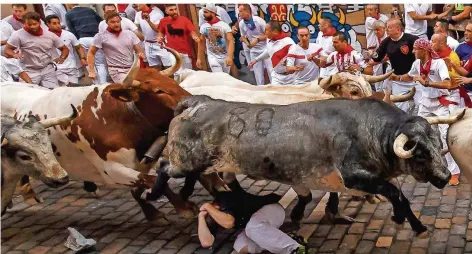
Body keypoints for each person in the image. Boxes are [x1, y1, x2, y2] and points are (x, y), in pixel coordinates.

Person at [392, 38, 460, 185]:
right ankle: (422, 166)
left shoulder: (439, 63)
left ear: (424, 50)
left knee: (445, 135)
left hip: (441, 103)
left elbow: (447, 83)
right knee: (416, 132)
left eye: (415, 49)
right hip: (425, 104)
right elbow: (409, 76)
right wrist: (394, 76)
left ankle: (454, 172)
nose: (413, 51)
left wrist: (427, 83)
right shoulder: (417, 63)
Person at [198, 181, 310, 254]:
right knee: (240, 246)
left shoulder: (223, 199)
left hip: (271, 210)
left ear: (214, 206)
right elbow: (206, 242)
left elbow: (229, 222)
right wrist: (201, 218)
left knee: (252, 227)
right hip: (257, 226)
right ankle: (286, 238)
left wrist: (208, 207)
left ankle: (295, 249)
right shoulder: (213, 217)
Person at [4, 12, 69, 89]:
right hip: (28, 71)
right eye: (29, 24)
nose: (32, 27)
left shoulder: (50, 35)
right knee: (30, 94)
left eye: (34, 24)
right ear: (24, 23)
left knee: (53, 93)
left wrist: (62, 57)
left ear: (39, 22)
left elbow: (64, 48)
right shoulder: (17, 35)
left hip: (47, 69)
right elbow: (7, 49)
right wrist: (14, 54)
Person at [371, 18, 419, 113]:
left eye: (389, 28)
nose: (386, 30)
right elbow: (377, 57)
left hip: (415, 80)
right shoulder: (386, 42)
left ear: (398, 29)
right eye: (386, 28)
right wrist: (372, 54)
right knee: (400, 108)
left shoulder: (412, 39)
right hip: (398, 81)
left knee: (419, 106)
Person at [88, 11, 144, 83]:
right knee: (136, 84)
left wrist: (140, 53)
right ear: (107, 23)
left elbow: (138, 50)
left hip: (132, 69)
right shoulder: (100, 36)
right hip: (116, 71)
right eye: (113, 22)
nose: (116, 24)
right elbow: (91, 53)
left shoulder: (130, 34)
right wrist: (91, 71)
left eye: (118, 21)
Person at [65, 4, 107, 84]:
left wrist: (77, 41)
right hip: (95, 38)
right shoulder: (90, 10)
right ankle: (103, 84)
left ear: (69, 4)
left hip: (82, 39)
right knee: (100, 64)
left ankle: (96, 84)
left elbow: (71, 29)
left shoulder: (68, 14)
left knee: (88, 63)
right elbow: (100, 21)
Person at [157, 4, 201, 77]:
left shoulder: (184, 20)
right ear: (166, 11)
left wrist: (195, 37)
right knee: (177, 73)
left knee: (188, 73)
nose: (174, 11)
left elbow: (193, 34)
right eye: (171, 10)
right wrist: (160, 38)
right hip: (173, 52)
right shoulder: (163, 21)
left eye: (175, 9)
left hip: (185, 52)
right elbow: (161, 32)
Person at [45, 15, 87, 86]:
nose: (58, 25)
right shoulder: (44, 36)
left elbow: (78, 47)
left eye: (58, 23)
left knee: (74, 88)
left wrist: (82, 58)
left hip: (71, 66)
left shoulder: (68, 34)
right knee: (65, 89)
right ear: (48, 24)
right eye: (54, 23)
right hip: (56, 68)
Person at [238, 4, 272, 85]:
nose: (239, 13)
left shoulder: (259, 21)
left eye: (240, 11)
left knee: (271, 71)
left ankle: (274, 89)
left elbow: (269, 35)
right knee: (258, 74)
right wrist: (247, 43)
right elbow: (242, 36)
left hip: (265, 49)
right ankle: (260, 91)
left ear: (247, 11)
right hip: (254, 50)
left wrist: (258, 39)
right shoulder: (241, 23)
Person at [197, 4, 234, 73]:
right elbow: (201, 42)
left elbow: (231, 41)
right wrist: (199, 58)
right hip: (212, 57)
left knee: (225, 78)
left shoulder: (224, 25)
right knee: (219, 77)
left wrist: (229, 56)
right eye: (203, 12)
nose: (203, 14)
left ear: (213, 13)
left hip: (224, 56)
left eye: (206, 12)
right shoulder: (203, 27)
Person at [135, 4, 173, 70]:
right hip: (148, 44)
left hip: (160, 43)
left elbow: (158, 29)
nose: (135, 4)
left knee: (168, 66)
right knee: (154, 68)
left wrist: (148, 21)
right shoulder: (138, 14)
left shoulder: (157, 13)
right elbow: (136, 27)